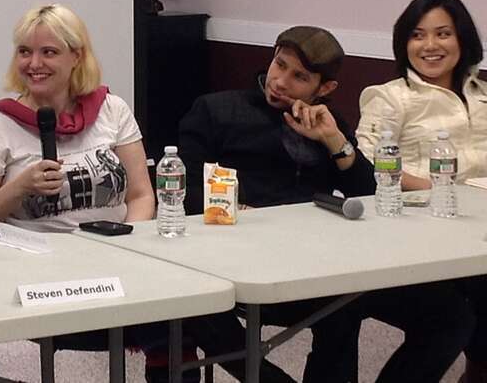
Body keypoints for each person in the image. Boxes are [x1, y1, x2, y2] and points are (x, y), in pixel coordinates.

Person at [0, 4, 291, 383]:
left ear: (76, 56)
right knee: (181, 319)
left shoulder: (110, 109)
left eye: (48, 52)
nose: (34, 63)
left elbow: (140, 195)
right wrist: (17, 189)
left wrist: (131, 248)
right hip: (44, 278)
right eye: (24, 52)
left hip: (121, 260)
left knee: (197, 303)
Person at [179, 25, 474, 382]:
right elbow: (187, 189)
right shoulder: (217, 110)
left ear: (325, 88)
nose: (281, 81)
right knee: (335, 306)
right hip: (244, 262)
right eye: (279, 64)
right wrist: (237, 210)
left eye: (299, 76)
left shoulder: (326, 123)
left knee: (451, 315)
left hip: (326, 261)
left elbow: (369, 193)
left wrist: (334, 141)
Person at [357, 0, 487, 382]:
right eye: (417, 35)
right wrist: (438, 189)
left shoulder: (481, 95)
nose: (430, 45)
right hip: (419, 230)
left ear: (462, 39)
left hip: (478, 228)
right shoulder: (391, 98)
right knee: (454, 316)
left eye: (443, 34)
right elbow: (369, 163)